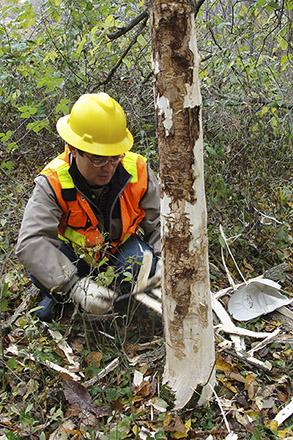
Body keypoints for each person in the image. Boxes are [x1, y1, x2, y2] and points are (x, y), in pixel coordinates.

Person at [16, 92, 161, 322]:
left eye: (114, 158)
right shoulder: (52, 181)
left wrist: (166, 262)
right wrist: (74, 286)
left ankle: (118, 303)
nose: (108, 167)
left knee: (144, 260)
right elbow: (31, 241)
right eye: (97, 159)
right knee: (40, 276)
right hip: (77, 261)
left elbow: (161, 224)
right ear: (73, 148)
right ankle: (68, 300)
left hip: (120, 253)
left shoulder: (138, 170)